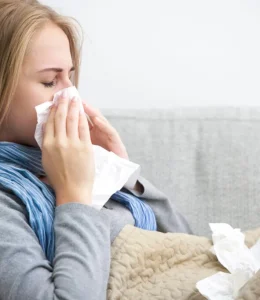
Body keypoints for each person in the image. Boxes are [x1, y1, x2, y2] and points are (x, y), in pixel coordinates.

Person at [0, 1, 192, 299]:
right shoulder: (8, 201)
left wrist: (121, 171)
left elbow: (189, 248)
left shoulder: (72, 163)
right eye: (50, 81)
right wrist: (74, 195)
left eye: (70, 77)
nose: (70, 94)